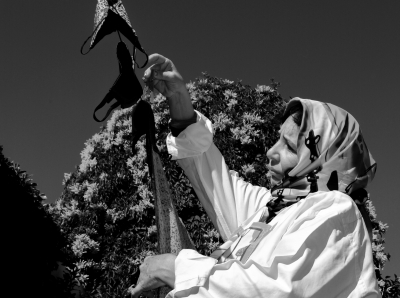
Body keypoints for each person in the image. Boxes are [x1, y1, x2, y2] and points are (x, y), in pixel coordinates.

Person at [128, 54, 380, 298]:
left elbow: (278, 290)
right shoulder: (269, 210)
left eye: (290, 147)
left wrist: (177, 268)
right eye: (277, 140)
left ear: (324, 160)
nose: (271, 152)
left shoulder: (337, 212)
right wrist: (178, 98)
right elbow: (214, 179)